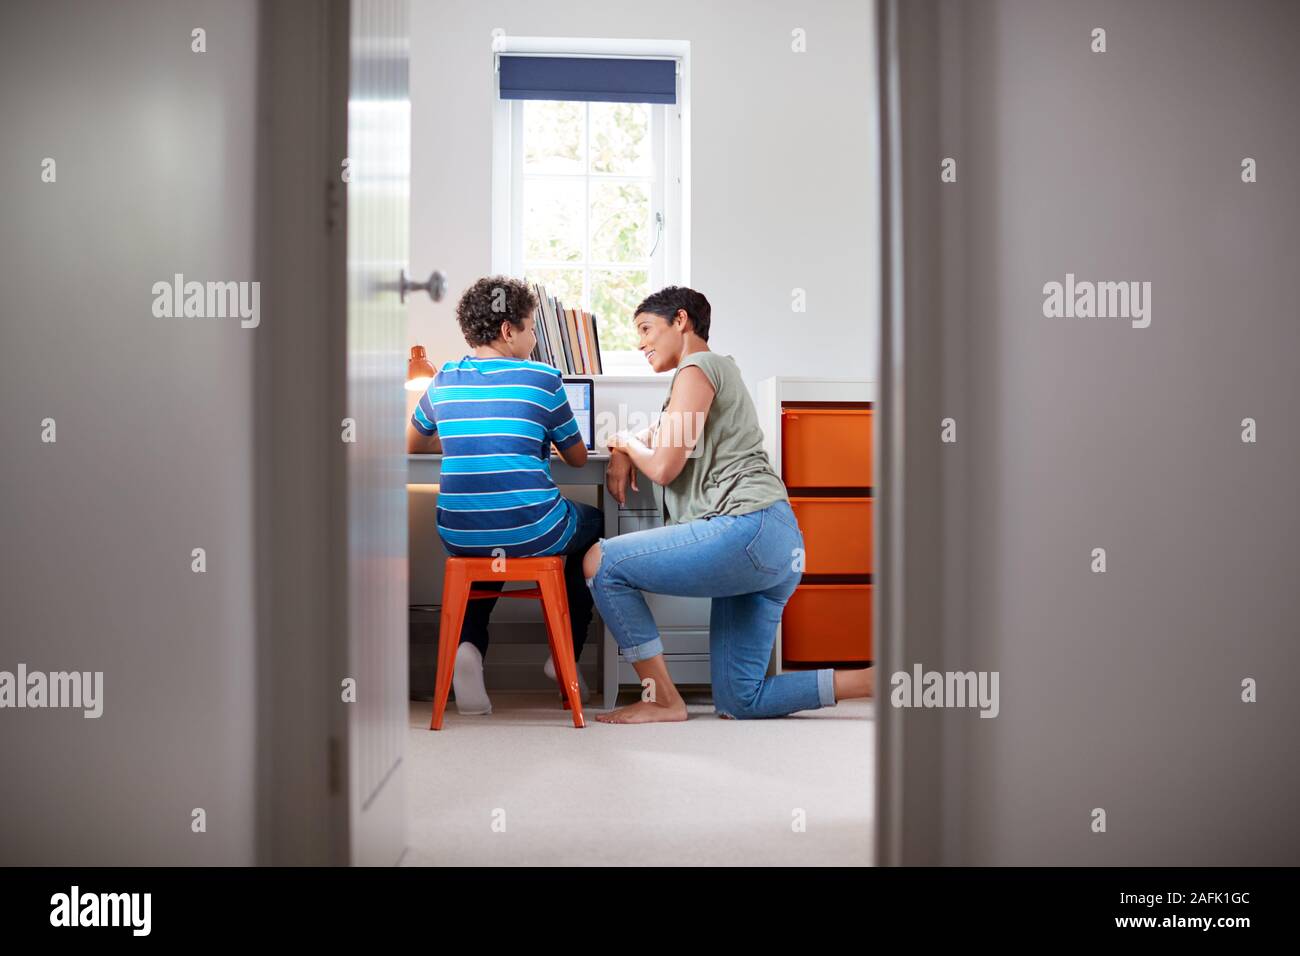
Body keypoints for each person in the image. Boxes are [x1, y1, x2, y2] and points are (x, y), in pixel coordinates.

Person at [582, 286, 874, 723]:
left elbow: (662, 465)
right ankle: (871, 682)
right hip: (773, 544)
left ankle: (662, 698)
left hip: (746, 529)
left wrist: (624, 443)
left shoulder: (696, 367)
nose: (639, 342)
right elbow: (655, 435)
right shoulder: (712, 374)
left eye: (646, 329)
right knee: (742, 700)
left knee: (600, 561)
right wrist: (623, 446)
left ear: (680, 321)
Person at [407, 276, 602, 714]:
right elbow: (575, 458)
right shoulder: (543, 378)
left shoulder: (444, 380)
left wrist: (464, 439)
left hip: (458, 533)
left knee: (491, 534)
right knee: (593, 524)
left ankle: (469, 648)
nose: (534, 338)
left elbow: (412, 444)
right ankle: (564, 653)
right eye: (531, 328)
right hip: (533, 530)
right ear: (507, 331)